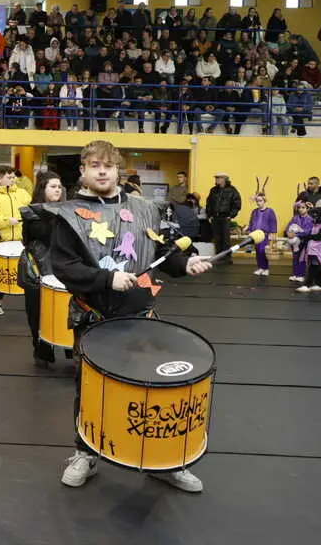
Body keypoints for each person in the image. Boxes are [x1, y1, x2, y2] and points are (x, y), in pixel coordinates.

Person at [48, 140, 212, 493]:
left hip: (140, 313)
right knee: (91, 389)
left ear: (118, 169)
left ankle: (163, 460)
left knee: (151, 388)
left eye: (108, 165)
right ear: (83, 171)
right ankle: (86, 453)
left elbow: (163, 254)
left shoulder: (144, 210)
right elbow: (64, 267)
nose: (102, 171)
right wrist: (106, 278)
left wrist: (186, 263)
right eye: (94, 165)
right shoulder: (68, 214)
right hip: (93, 317)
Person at [19, 173, 70, 365]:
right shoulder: (32, 212)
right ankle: (41, 349)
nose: (58, 189)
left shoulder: (66, 210)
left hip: (61, 267)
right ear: (43, 189)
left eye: (59, 186)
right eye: (53, 186)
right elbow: (43, 234)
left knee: (66, 309)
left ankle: (67, 347)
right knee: (37, 312)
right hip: (38, 268)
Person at [0, 165, 31, 316]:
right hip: (0, 243)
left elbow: (31, 210)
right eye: (9, 177)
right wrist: (6, 221)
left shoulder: (23, 194)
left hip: (22, 242)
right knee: (1, 274)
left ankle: (32, 308)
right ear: (0, 178)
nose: (13, 179)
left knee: (28, 275)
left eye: (13, 177)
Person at [205, 173, 241, 258]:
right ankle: (218, 257)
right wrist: (209, 215)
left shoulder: (232, 190)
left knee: (226, 239)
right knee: (217, 239)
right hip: (215, 218)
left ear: (223, 179)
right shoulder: (213, 190)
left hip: (225, 217)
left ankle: (227, 258)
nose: (216, 180)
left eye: (218, 178)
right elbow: (208, 203)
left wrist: (231, 215)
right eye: (216, 178)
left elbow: (237, 204)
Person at [295, 207, 321, 293]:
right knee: (316, 266)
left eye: (315, 217)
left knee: (313, 267)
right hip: (312, 249)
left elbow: (319, 237)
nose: (313, 218)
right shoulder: (315, 226)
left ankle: (307, 284)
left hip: (318, 250)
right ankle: (319, 284)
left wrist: (308, 237)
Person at [248, 187, 278, 277]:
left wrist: (272, 233)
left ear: (264, 201)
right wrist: (250, 229)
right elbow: (252, 221)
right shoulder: (254, 211)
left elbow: (273, 222)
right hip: (256, 235)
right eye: (257, 201)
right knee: (258, 251)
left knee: (263, 251)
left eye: (260, 201)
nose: (258, 203)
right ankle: (260, 267)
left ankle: (266, 268)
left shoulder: (270, 211)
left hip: (265, 235)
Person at [284, 201, 314, 282]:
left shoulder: (310, 219)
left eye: (303, 208)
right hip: (294, 242)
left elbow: (308, 231)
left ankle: (301, 274)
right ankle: (294, 274)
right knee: (295, 257)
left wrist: (296, 235)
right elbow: (288, 227)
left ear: (307, 209)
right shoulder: (295, 218)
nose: (300, 209)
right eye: (299, 207)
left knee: (302, 257)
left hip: (304, 241)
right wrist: (288, 233)